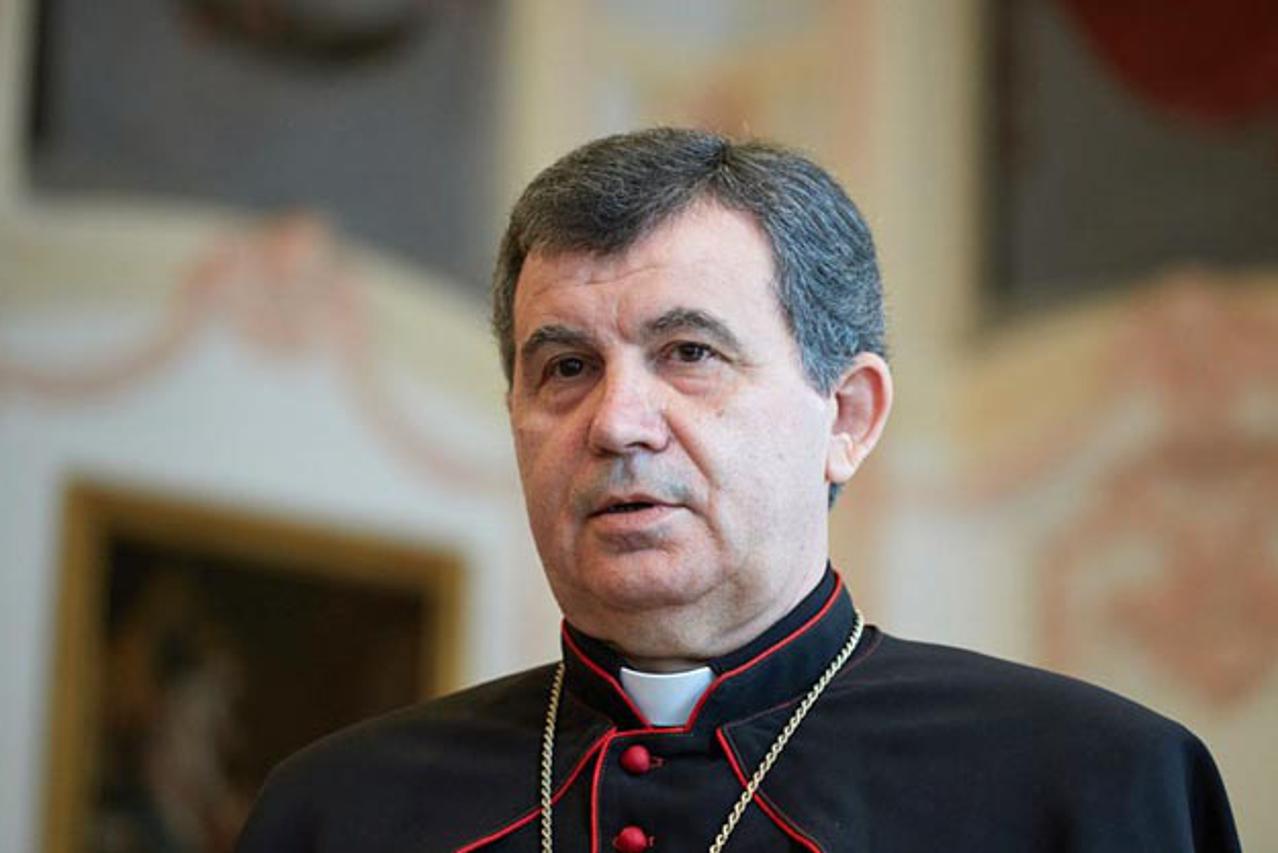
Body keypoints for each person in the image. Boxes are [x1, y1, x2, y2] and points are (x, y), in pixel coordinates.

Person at [235, 128, 1240, 852]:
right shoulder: (333, 814)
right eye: (567, 368)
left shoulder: (1094, 787)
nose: (618, 422)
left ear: (846, 417)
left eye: (689, 352)